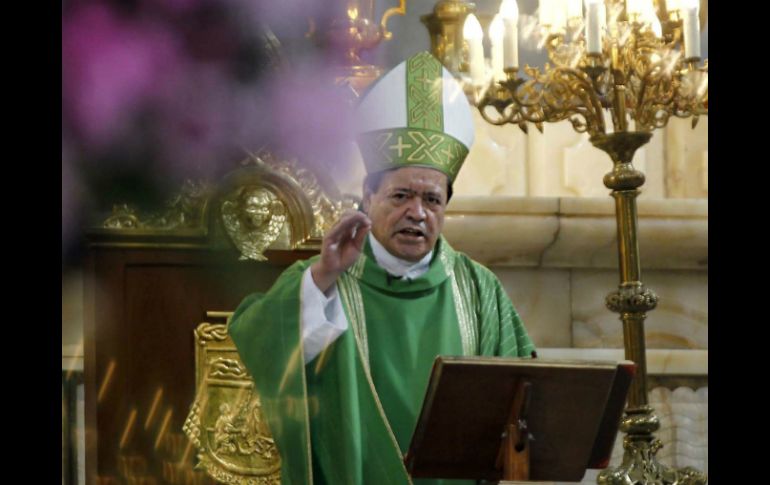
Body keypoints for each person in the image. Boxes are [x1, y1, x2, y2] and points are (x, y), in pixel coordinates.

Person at [229, 51, 535, 485]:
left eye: (432, 200)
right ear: (367, 196)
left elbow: (526, 401)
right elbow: (258, 343)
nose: (417, 213)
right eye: (400, 196)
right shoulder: (324, 279)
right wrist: (324, 278)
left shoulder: (479, 289)